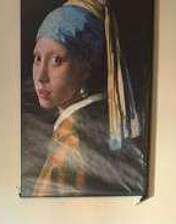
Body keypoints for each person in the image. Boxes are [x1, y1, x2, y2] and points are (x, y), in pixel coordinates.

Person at [31, 0, 147, 197]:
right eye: (37, 58)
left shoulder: (72, 141)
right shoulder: (99, 123)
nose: (41, 76)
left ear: (86, 67)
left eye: (57, 60)